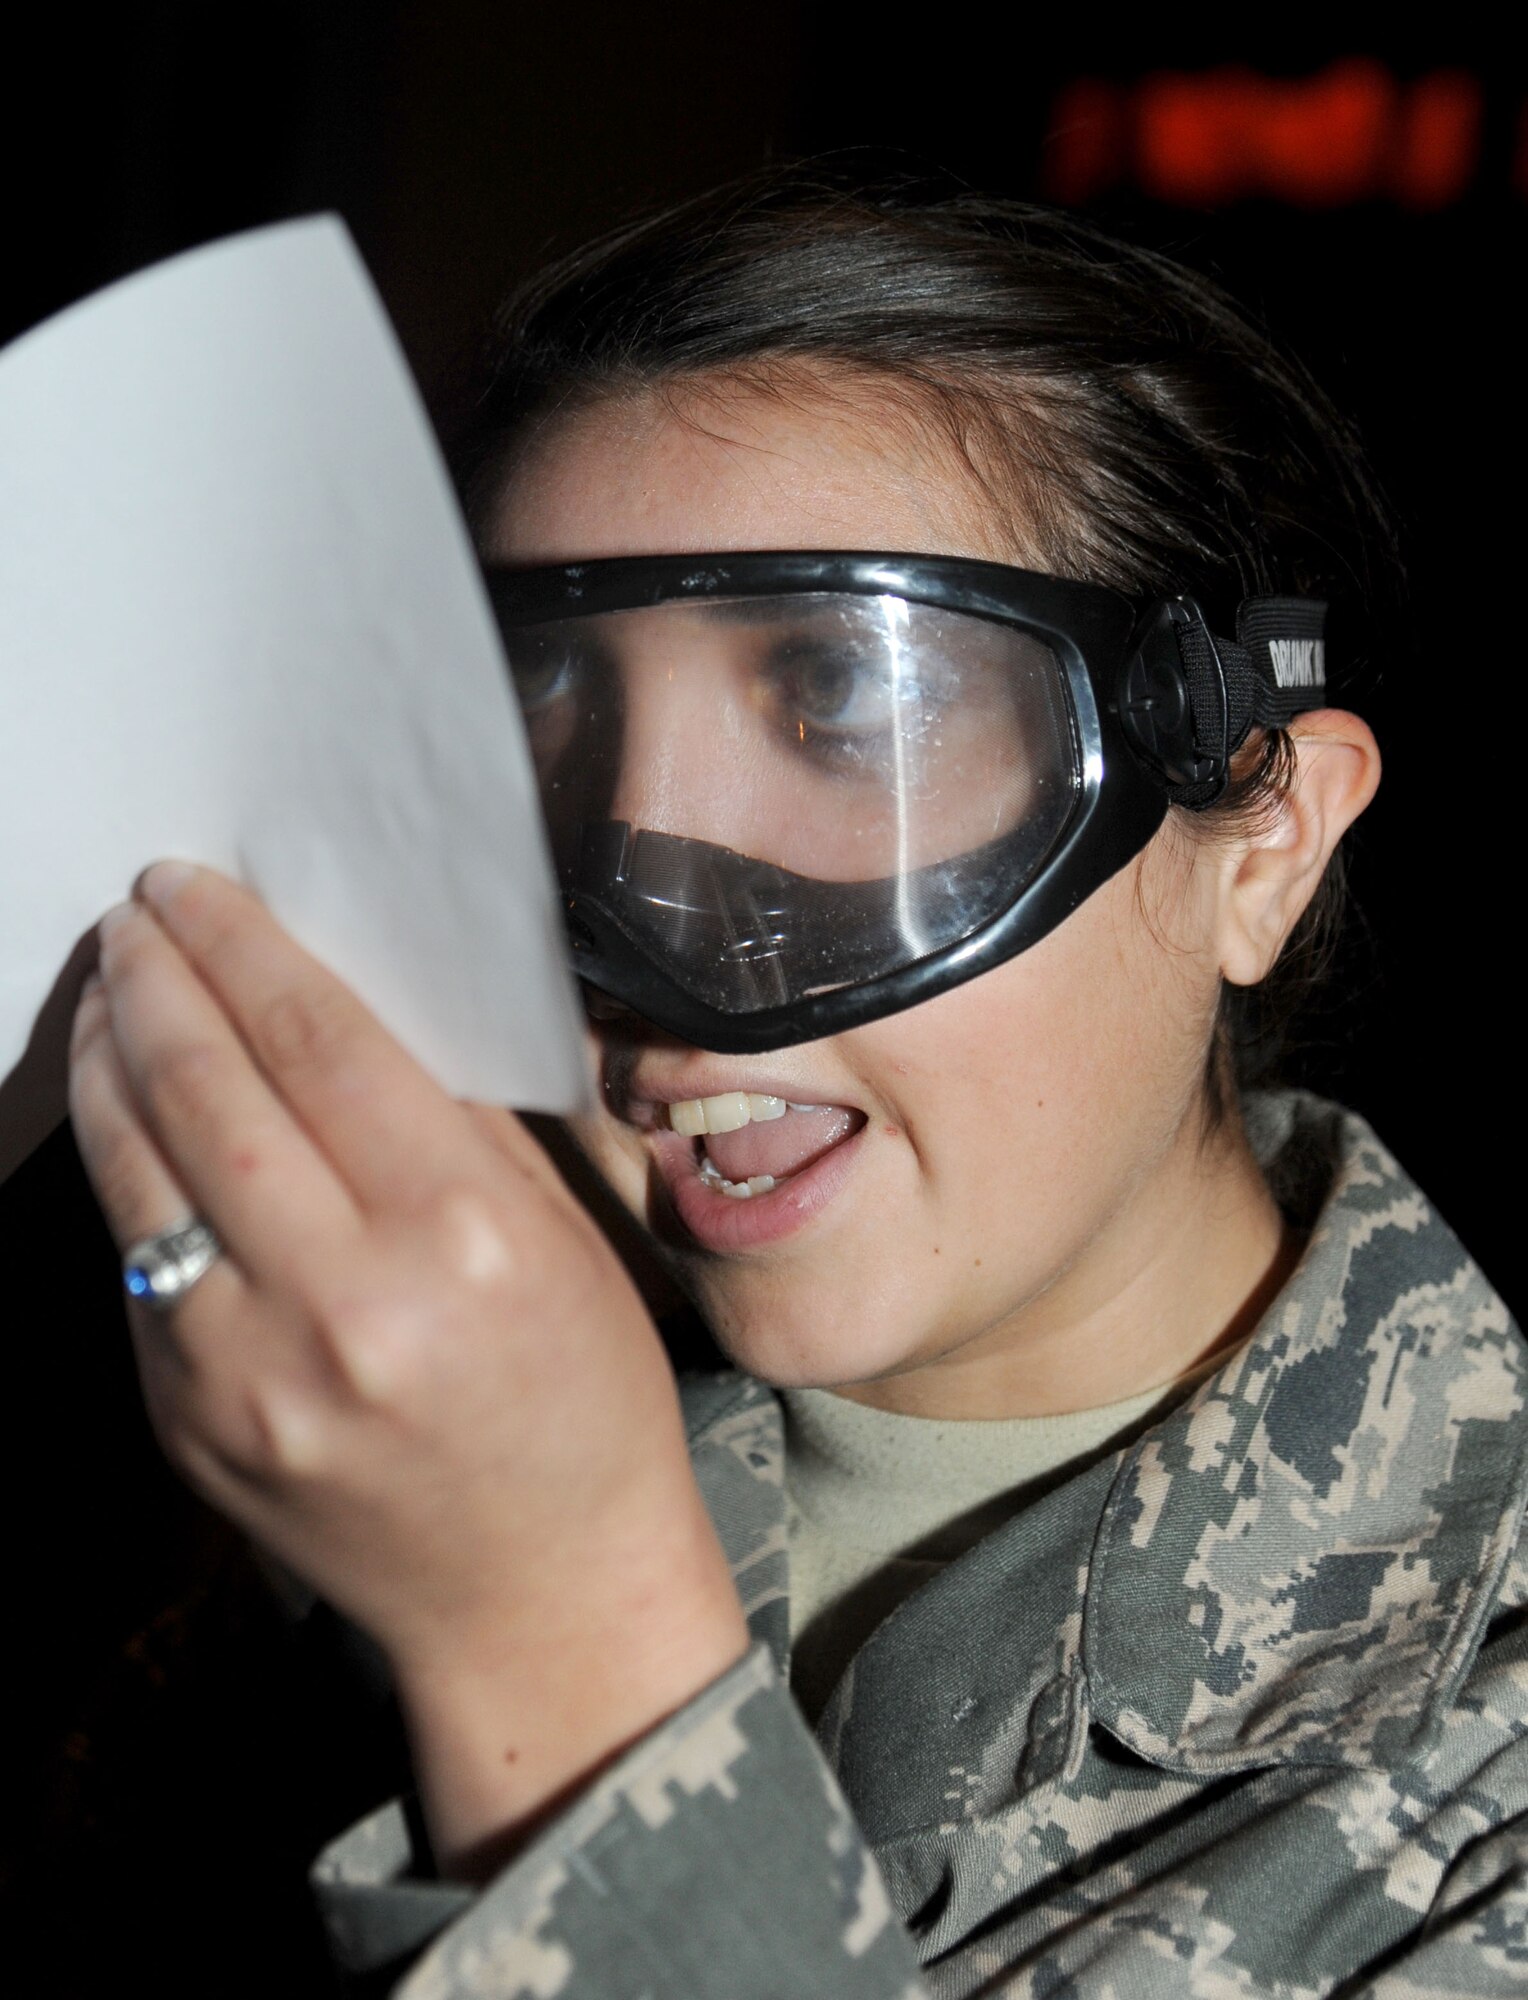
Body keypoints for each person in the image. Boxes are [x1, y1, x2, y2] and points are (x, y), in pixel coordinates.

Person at [66, 174, 1526, 1996]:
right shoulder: (329, 1454)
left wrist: (553, 1642)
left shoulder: (1485, 1785)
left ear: (1262, 840)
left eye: (844, 704)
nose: (657, 938)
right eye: (544, 722)